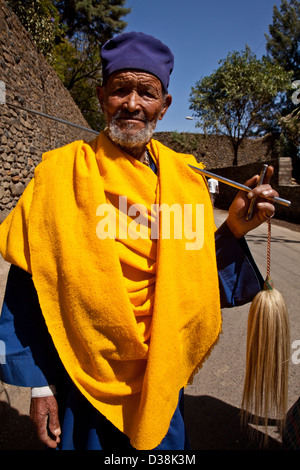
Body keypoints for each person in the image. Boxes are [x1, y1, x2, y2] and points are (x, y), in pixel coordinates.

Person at [0, 32, 278, 451]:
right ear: (101, 97)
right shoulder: (60, 177)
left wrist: (234, 230)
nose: (132, 104)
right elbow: (27, 282)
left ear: (163, 106)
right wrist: (39, 385)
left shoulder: (187, 182)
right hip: (83, 379)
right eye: (120, 90)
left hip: (161, 380)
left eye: (146, 92)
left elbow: (192, 282)